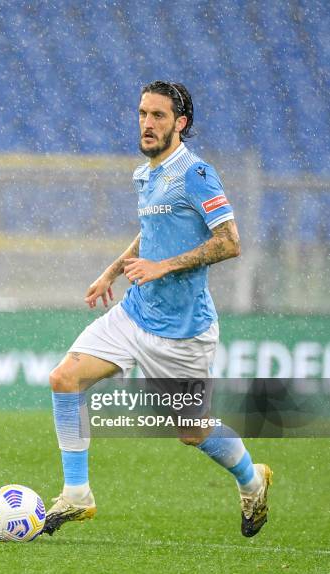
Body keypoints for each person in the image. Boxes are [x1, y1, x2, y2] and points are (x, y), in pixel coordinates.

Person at [43, 81, 272, 538]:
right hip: (134, 314)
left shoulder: (197, 174)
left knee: (192, 432)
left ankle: (252, 480)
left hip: (183, 332)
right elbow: (151, 228)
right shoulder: (144, 173)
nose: (147, 124)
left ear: (180, 124)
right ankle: (77, 494)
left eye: (159, 116)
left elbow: (230, 243)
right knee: (63, 379)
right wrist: (112, 272)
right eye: (143, 114)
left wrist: (162, 267)